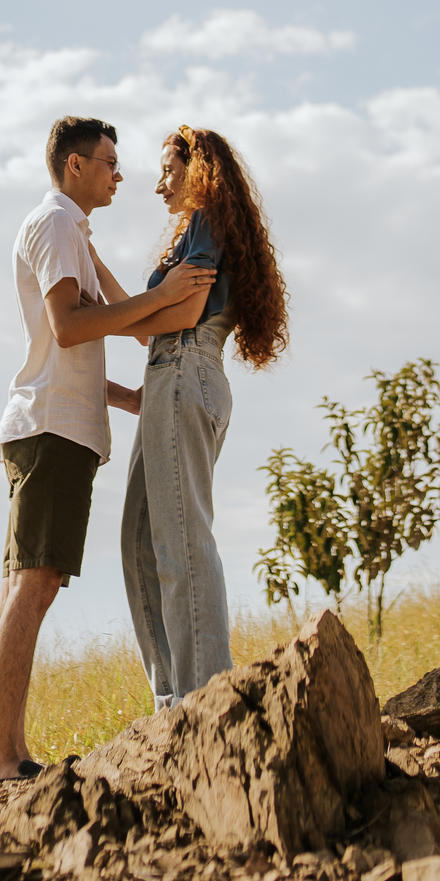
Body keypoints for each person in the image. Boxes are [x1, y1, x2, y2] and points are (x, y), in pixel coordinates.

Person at [0, 115, 216, 782]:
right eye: (110, 162)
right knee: (35, 582)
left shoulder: (72, 233)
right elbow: (70, 325)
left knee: (28, 582)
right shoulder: (56, 223)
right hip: (50, 430)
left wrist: (124, 397)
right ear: (75, 166)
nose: (121, 174)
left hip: (55, 423)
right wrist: (164, 296)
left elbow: (71, 346)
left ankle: (11, 751)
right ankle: (2, 757)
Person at [91, 125, 287, 711]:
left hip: (184, 371)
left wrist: (107, 317)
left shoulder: (205, 219)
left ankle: (204, 699)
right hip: (169, 376)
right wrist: (96, 266)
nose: (159, 186)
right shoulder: (195, 230)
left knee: (180, 543)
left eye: (169, 170)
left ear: (197, 170)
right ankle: (173, 697)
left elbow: (178, 314)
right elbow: (150, 318)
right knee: (139, 542)